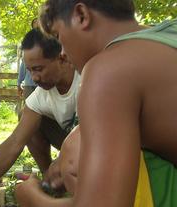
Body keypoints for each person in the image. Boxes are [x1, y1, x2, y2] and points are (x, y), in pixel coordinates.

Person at [15, 0, 177, 206]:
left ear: (81, 15)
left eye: (58, 36)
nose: (62, 52)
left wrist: (33, 199)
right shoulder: (168, 34)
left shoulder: (108, 69)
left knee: (76, 150)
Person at [0, 28, 80, 204]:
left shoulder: (88, 78)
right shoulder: (40, 96)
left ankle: (63, 180)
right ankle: (50, 180)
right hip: (73, 145)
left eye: (39, 69)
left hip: (101, 147)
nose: (34, 78)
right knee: (28, 122)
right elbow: (14, 142)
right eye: (30, 70)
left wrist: (62, 161)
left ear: (62, 58)